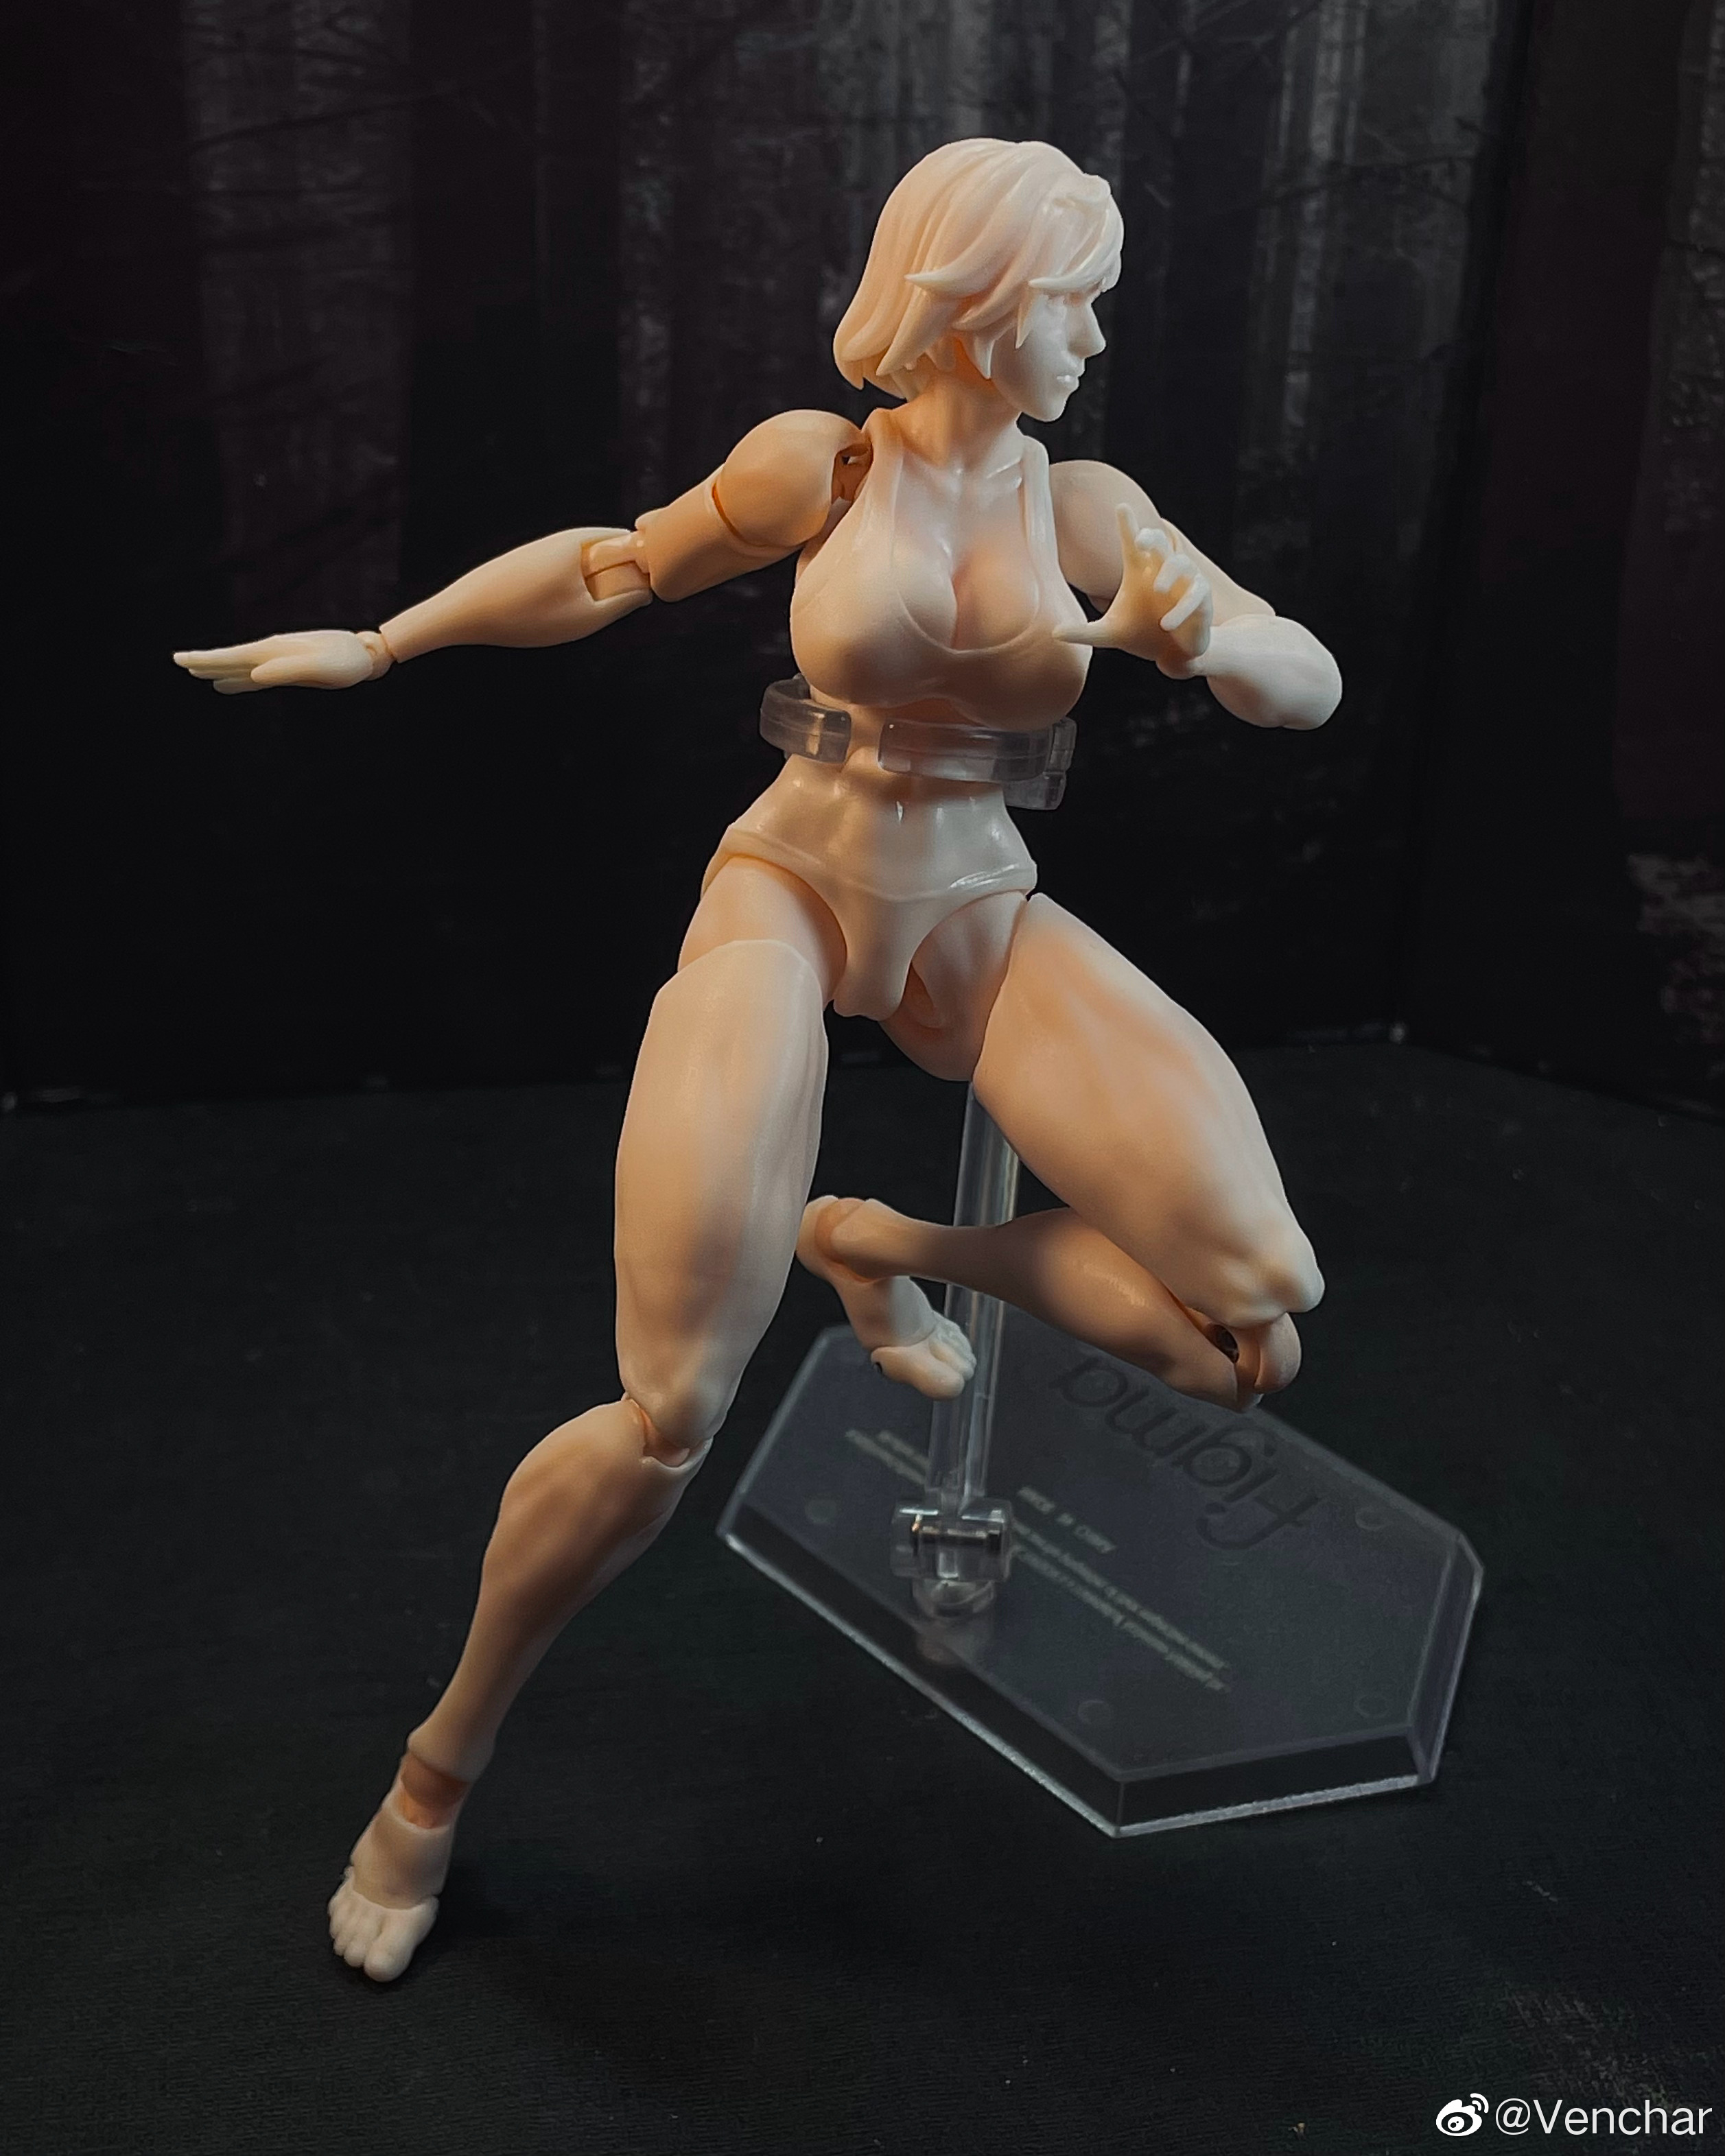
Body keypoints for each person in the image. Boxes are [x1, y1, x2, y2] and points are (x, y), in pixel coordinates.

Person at [174, 137, 1342, 1983]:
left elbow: (1302, 682)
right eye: (1077, 300)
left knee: (1251, 1327)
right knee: (667, 1416)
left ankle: (875, 1242)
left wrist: (1206, 635)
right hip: (791, 887)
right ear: (977, 302)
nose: (1098, 337)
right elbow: (612, 569)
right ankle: (433, 1772)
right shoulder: (826, 464)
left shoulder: (1090, 510)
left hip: (976, 906)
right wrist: (385, 643)